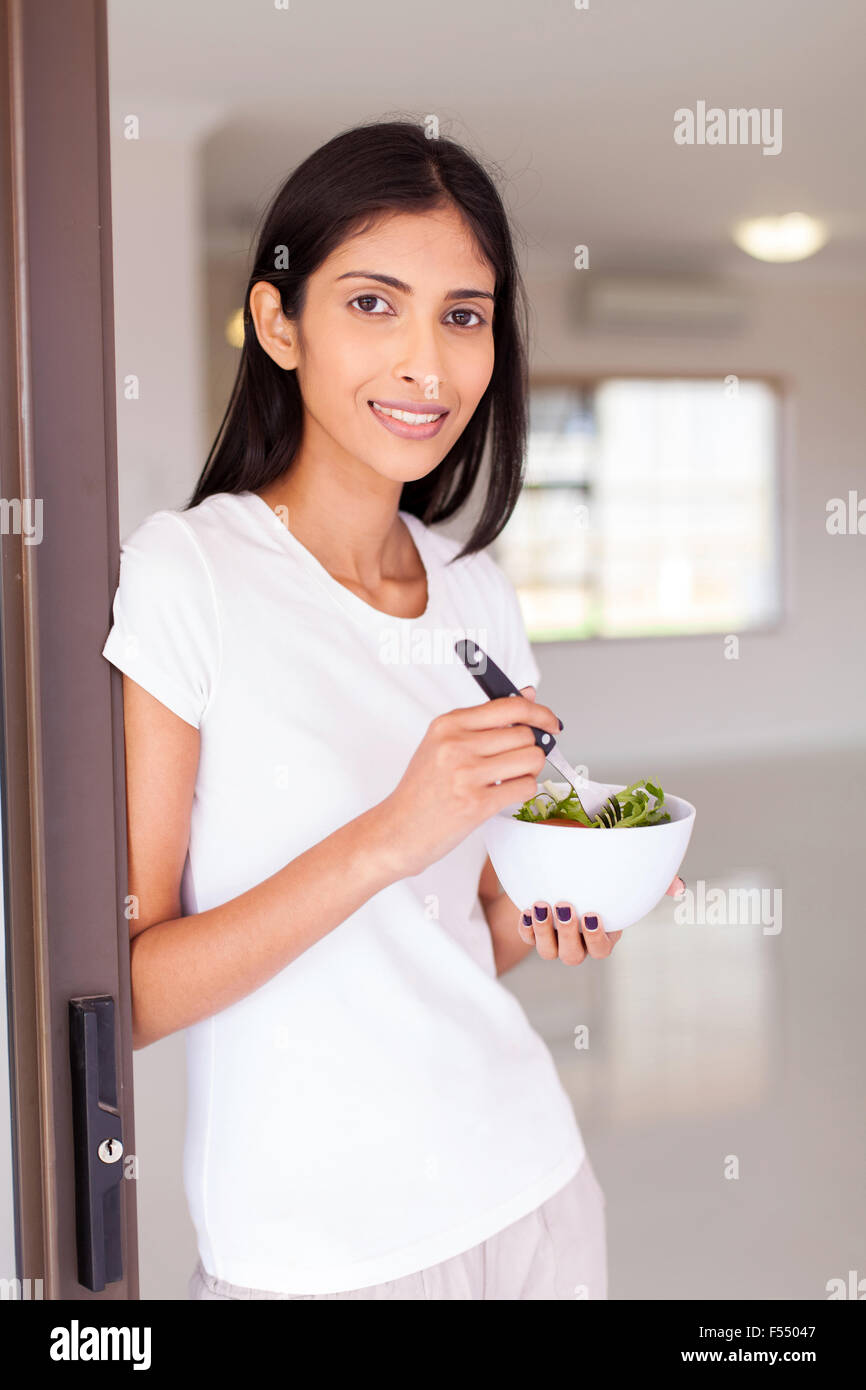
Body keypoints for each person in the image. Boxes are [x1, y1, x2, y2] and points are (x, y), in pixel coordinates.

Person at [102, 119, 684, 1301]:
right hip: (316, 1253)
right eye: (374, 303)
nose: (427, 364)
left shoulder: (476, 592)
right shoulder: (189, 574)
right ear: (279, 323)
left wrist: (557, 906)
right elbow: (128, 994)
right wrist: (386, 832)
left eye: (462, 315)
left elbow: (465, 927)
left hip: (531, 1191)